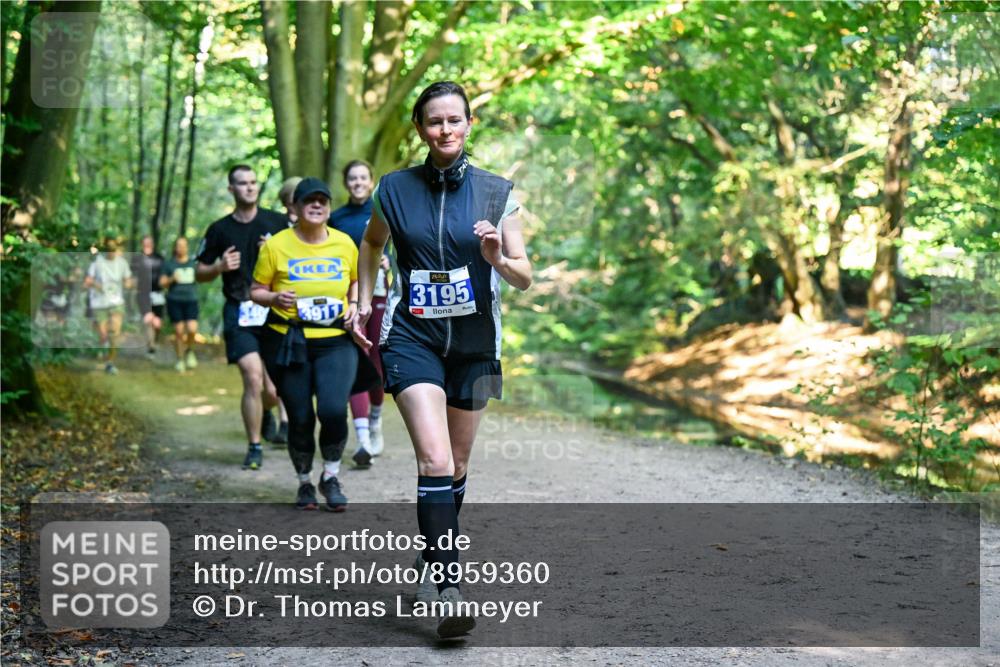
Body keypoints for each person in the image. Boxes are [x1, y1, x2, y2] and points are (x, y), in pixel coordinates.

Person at [351, 81, 532, 639]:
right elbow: (372, 244)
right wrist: (363, 300)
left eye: (455, 119)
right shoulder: (393, 189)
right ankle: (449, 589)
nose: (445, 129)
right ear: (420, 128)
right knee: (434, 459)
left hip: (475, 345)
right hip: (413, 337)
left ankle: (432, 556)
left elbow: (524, 276)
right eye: (435, 121)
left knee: (456, 464)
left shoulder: (498, 192)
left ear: (469, 124)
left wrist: (497, 258)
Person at [251, 177, 378, 511]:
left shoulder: (344, 243)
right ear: (295, 207)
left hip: (335, 340)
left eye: (323, 200)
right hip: (290, 340)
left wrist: (354, 304)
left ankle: (331, 476)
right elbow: (255, 290)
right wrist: (274, 297)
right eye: (309, 200)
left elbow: (355, 280)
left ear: (329, 208)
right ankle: (305, 482)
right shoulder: (276, 246)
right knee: (300, 416)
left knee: (333, 410)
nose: (317, 205)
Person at [196, 164, 288, 469]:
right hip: (239, 309)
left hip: (272, 309)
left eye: (252, 182)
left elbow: (300, 259)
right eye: (242, 183)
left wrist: (275, 252)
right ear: (231, 189)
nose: (249, 187)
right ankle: (254, 446)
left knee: (272, 390)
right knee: (252, 375)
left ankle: (266, 412)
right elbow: (199, 272)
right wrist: (219, 267)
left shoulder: (277, 223)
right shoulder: (219, 229)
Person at [330, 159, 393, 466]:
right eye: (352, 178)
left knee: (377, 359)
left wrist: (388, 262)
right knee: (357, 358)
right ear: (346, 183)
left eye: (363, 178)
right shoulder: (336, 218)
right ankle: (363, 440)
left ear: (371, 181)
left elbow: (401, 247)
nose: (357, 183)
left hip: (379, 290)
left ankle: (376, 418)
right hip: (348, 295)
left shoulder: (384, 210)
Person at [84, 238, 135, 375]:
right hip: (99, 303)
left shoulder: (122, 263)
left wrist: (128, 284)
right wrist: (97, 285)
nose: (111, 252)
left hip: (116, 302)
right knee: (103, 334)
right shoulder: (97, 262)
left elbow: (128, 279)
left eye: (113, 249)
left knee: (114, 331)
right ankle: (103, 345)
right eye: (109, 249)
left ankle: (110, 363)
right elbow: (88, 280)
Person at [160, 237, 200, 372]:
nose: (181, 248)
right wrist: (172, 279)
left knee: (192, 329)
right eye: (178, 245)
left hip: (191, 300)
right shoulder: (169, 264)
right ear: (175, 247)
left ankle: (190, 351)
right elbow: (162, 282)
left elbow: (202, 277)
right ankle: (180, 359)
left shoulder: (193, 264)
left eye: (183, 245)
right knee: (178, 331)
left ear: (187, 247)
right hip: (174, 300)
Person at [131, 235, 166, 358]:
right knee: (148, 319)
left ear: (153, 244)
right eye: (145, 243)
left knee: (157, 322)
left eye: (149, 242)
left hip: (158, 293)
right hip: (143, 293)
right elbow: (132, 275)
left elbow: (165, 274)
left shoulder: (160, 258)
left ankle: (154, 342)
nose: (147, 245)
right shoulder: (137, 258)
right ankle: (151, 347)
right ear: (142, 244)